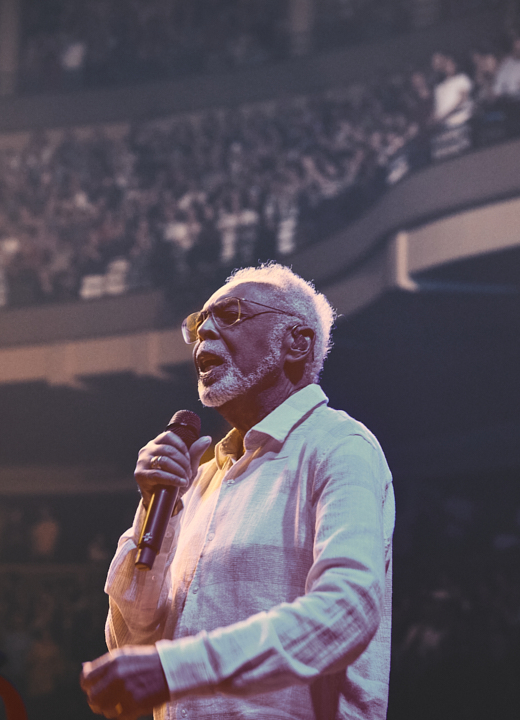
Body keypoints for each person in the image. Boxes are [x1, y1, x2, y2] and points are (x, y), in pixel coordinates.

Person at [80, 263, 394, 719]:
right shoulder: (200, 478)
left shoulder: (339, 446)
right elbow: (132, 643)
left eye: (230, 314)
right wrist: (154, 511)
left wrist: (178, 668)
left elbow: (347, 610)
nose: (203, 331)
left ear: (297, 342)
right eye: (198, 323)